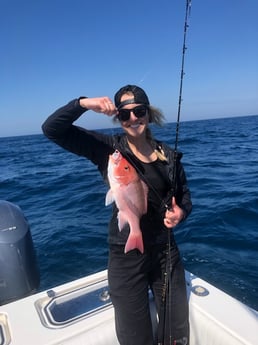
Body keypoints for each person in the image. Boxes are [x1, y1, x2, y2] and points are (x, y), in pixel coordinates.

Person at [42, 85, 192, 345]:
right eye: (125, 115)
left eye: (139, 111)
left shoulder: (169, 156)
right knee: (134, 337)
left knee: (175, 333)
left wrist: (181, 213)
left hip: (166, 252)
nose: (133, 119)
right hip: (126, 255)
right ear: (118, 119)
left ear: (149, 113)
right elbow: (52, 129)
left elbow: (185, 197)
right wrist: (84, 104)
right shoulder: (110, 150)